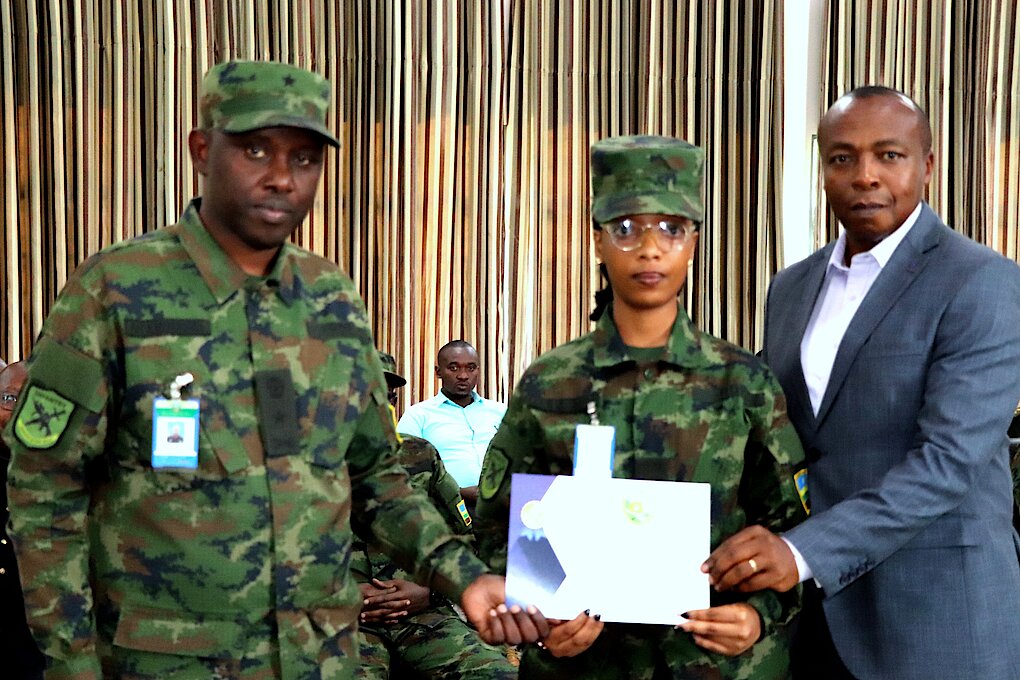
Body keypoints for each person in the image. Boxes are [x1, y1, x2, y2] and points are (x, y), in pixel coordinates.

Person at [1, 60, 545, 679]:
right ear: (201, 151)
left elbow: (377, 479)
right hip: (169, 661)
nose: (282, 178)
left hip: (319, 657)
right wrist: (71, 664)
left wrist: (465, 577)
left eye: (305, 158)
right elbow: (43, 491)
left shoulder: (332, 302)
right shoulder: (113, 292)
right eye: (256, 150)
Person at [702, 86, 1020, 680]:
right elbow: (775, 440)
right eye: (842, 158)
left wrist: (801, 552)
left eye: (888, 155)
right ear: (823, 169)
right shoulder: (790, 288)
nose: (865, 175)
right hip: (809, 623)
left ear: (927, 165)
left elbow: (948, 463)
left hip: (937, 621)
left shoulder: (983, 282)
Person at [474, 135, 808, 679]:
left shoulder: (741, 382)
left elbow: (790, 529)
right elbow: (496, 531)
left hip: (718, 666)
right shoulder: (549, 383)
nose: (650, 249)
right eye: (626, 228)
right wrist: (541, 622)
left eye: (671, 229)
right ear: (598, 241)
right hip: (585, 669)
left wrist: (758, 615)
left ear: (693, 242)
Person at [354, 352, 517, 679]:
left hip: (423, 615)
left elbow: (465, 537)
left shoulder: (419, 455)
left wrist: (431, 592)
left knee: (496, 674)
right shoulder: (299, 466)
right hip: (344, 622)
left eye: (385, 396)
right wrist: (340, 597)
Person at [398, 341, 507, 506]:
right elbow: (404, 472)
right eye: (454, 368)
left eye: (471, 368)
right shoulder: (418, 415)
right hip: (445, 508)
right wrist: (455, 492)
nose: (463, 375)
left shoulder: (500, 412)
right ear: (438, 372)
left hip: (501, 507)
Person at [0, 361, 46, 679]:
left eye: (31, 403)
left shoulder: (62, 477)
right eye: (9, 399)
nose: (17, 413)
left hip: (38, 648)